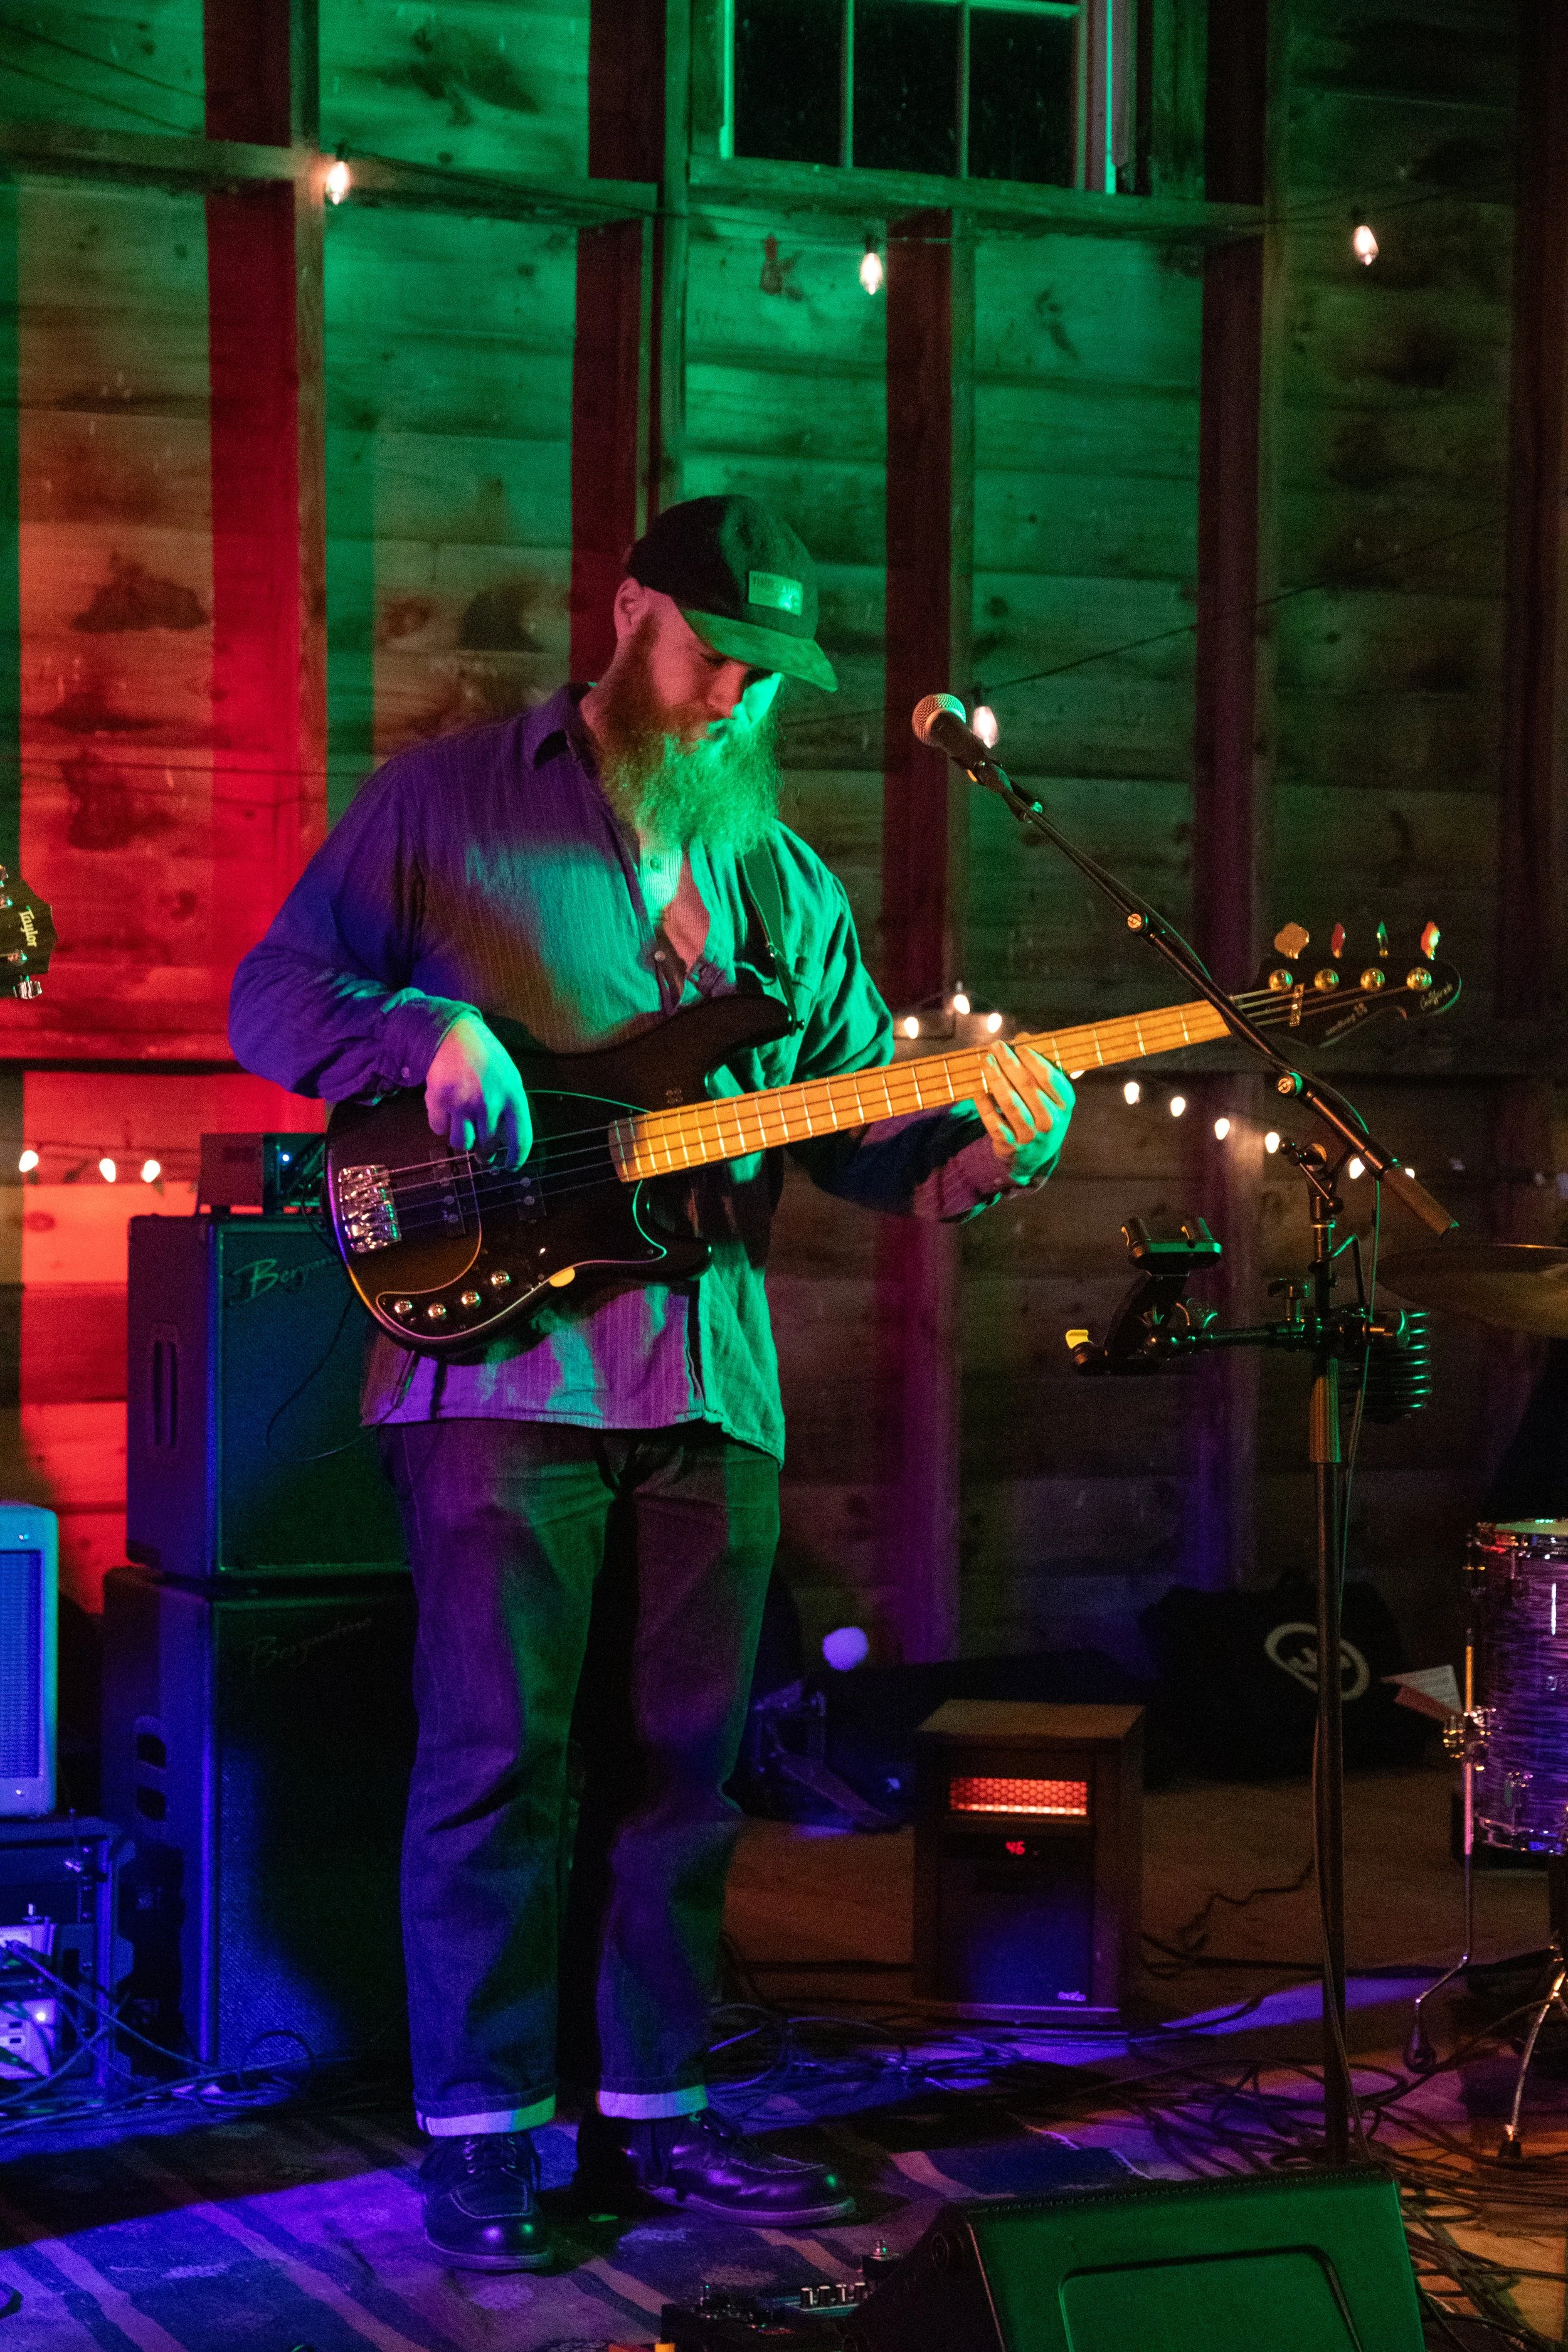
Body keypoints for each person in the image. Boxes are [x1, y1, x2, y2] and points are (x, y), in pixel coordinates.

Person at [228, 495, 1074, 2271]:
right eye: (715, 655)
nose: (736, 699)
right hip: (498, 1369)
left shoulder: (784, 883)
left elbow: (865, 1145)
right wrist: (424, 1030)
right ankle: (482, 2133)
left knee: (686, 1772)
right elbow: (269, 996)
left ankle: (655, 2111)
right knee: (497, 1761)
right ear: (628, 614)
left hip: (708, 1380)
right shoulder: (448, 805)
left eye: (769, 678)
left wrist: (985, 1153)